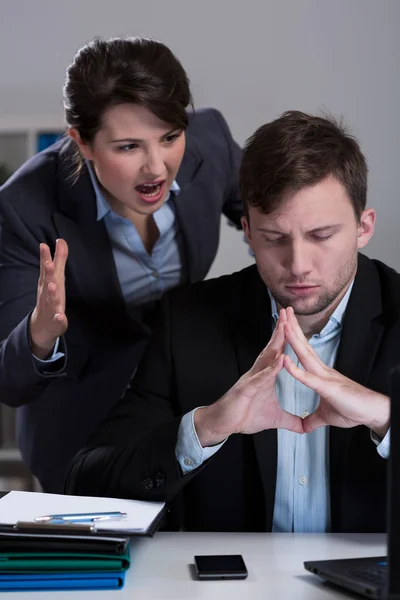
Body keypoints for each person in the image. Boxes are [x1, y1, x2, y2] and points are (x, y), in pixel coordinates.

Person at [66, 110, 399, 534]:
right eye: (274, 238)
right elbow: (85, 482)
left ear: (363, 227)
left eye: (321, 235)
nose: (298, 265)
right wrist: (205, 428)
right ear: (247, 231)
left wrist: (386, 417)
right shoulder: (187, 322)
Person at [0, 36, 243, 493]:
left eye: (170, 137)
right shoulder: (23, 206)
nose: (157, 167)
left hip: (188, 414)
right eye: (129, 147)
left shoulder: (209, 141)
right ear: (83, 143)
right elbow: (9, 384)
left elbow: (271, 216)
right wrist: (40, 334)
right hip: (80, 432)